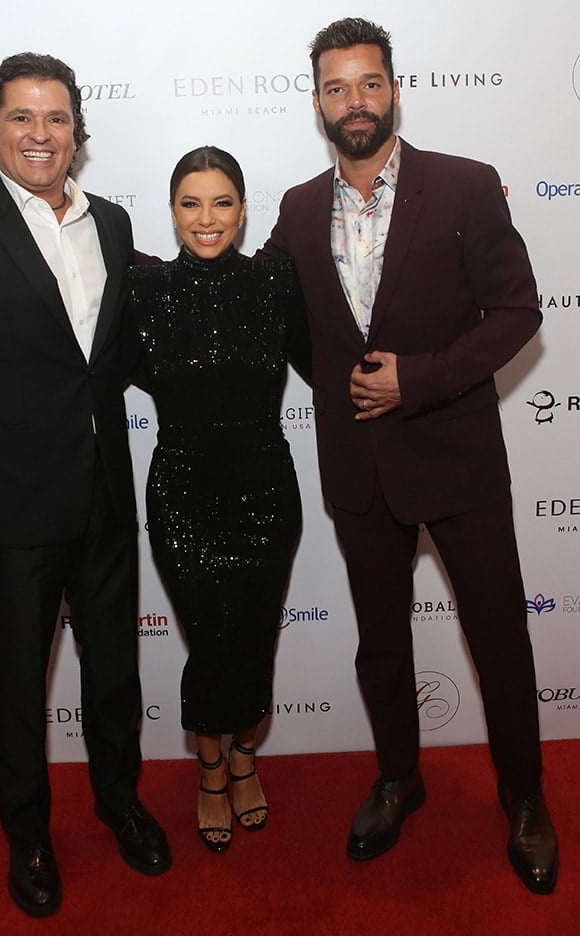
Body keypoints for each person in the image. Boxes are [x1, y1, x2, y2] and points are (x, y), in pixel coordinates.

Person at [261, 17, 558, 894]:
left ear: (395, 88)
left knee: (499, 638)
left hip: (458, 457)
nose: (355, 101)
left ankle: (527, 797)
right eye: (336, 86)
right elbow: (285, 322)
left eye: (369, 83)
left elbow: (517, 313)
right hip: (359, 469)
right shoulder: (298, 207)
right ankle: (399, 778)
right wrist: (340, 385)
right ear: (315, 99)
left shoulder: (466, 189)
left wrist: (417, 380)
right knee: (382, 644)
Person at [0, 52, 170, 918]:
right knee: (16, 686)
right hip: (9, 514)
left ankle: (120, 803)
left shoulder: (116, 224)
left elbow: (114, 359)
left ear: (77, 133)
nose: (40, 134)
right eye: (22, 116)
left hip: (104, 497)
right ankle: (28, 836)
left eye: (57, 118)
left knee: (116, 675)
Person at [129, 146, 309, 852]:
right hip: (182, 494)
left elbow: (330, 359)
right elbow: (90, 366)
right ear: (171, 211)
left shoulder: (275, 281)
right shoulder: (142, 291)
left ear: (243, 208)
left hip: (266, 489)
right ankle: (211, 770)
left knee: (255, 635)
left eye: (222, 202)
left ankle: (244, 759)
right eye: (190, 203)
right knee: (208, 642)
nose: (207, 219)